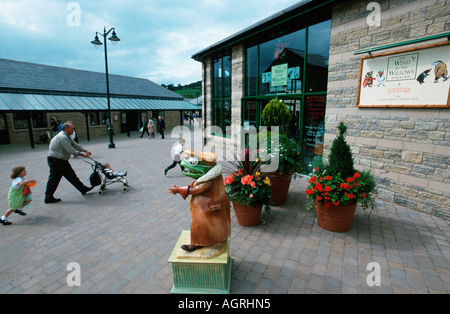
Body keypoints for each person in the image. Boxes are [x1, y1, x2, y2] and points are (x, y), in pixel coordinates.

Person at [44, 121, 94, 204]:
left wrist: (84, 150)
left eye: (73, 128)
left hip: (61, 160)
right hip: (56, 161)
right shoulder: (62, 137)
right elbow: (70, 149)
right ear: (66, 129)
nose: (73, 130)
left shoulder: (66, 136)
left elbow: (74, 144)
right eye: (72, 128)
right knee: (54, 179)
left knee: (71, 176)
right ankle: (48, 197)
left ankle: (82, 189)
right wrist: (81, 154)